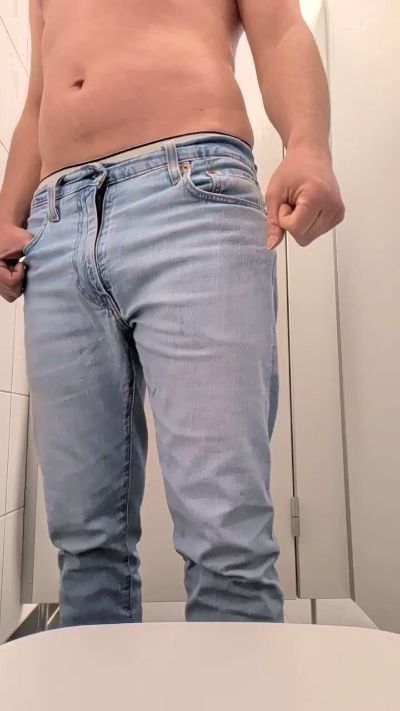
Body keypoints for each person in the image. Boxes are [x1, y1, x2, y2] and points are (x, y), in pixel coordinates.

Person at [0, 0, 344, 627]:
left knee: (225, 540)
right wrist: (6, 215)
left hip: (192, 188)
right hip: (56, 218)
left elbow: (281, 32)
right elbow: (37, 102)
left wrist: (309, 145)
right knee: (83, 544)